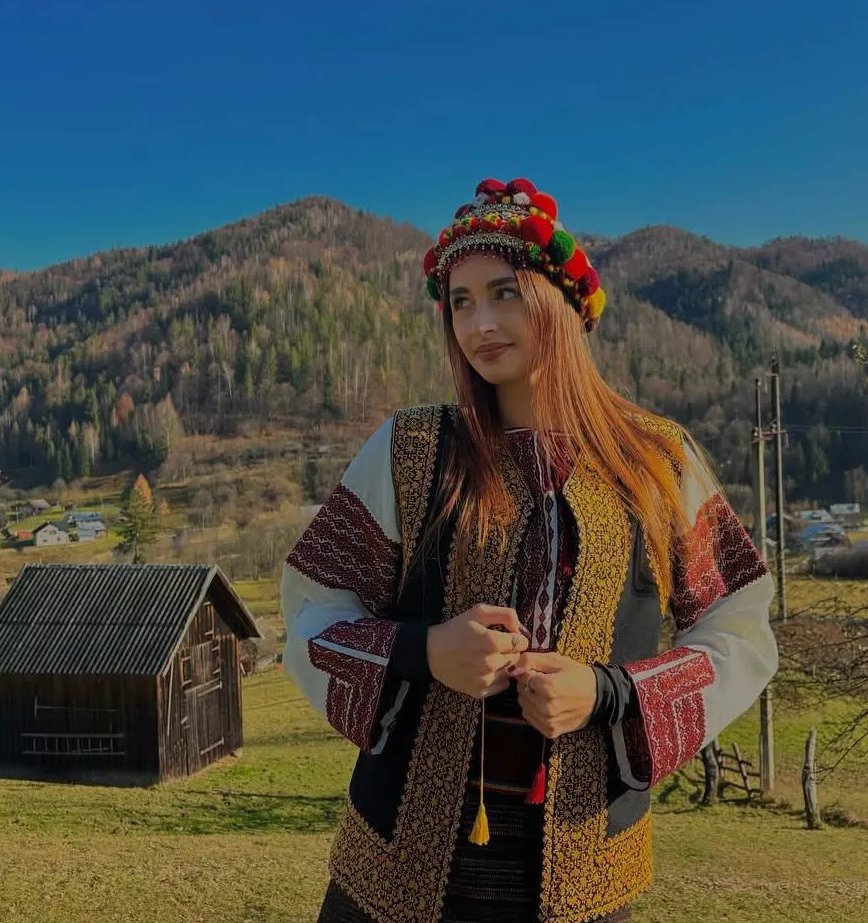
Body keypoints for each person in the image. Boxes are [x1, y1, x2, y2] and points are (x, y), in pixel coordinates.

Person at [282, 178, 778, 923]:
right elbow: (312, 612)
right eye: (460, 302)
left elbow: (739, 629)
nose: (479, 323)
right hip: (394, 871)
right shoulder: (410, 451)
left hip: (588, 868)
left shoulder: (656, 461)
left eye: (505, 293)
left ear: (564, 302)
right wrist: (425, 651)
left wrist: (607, 693)